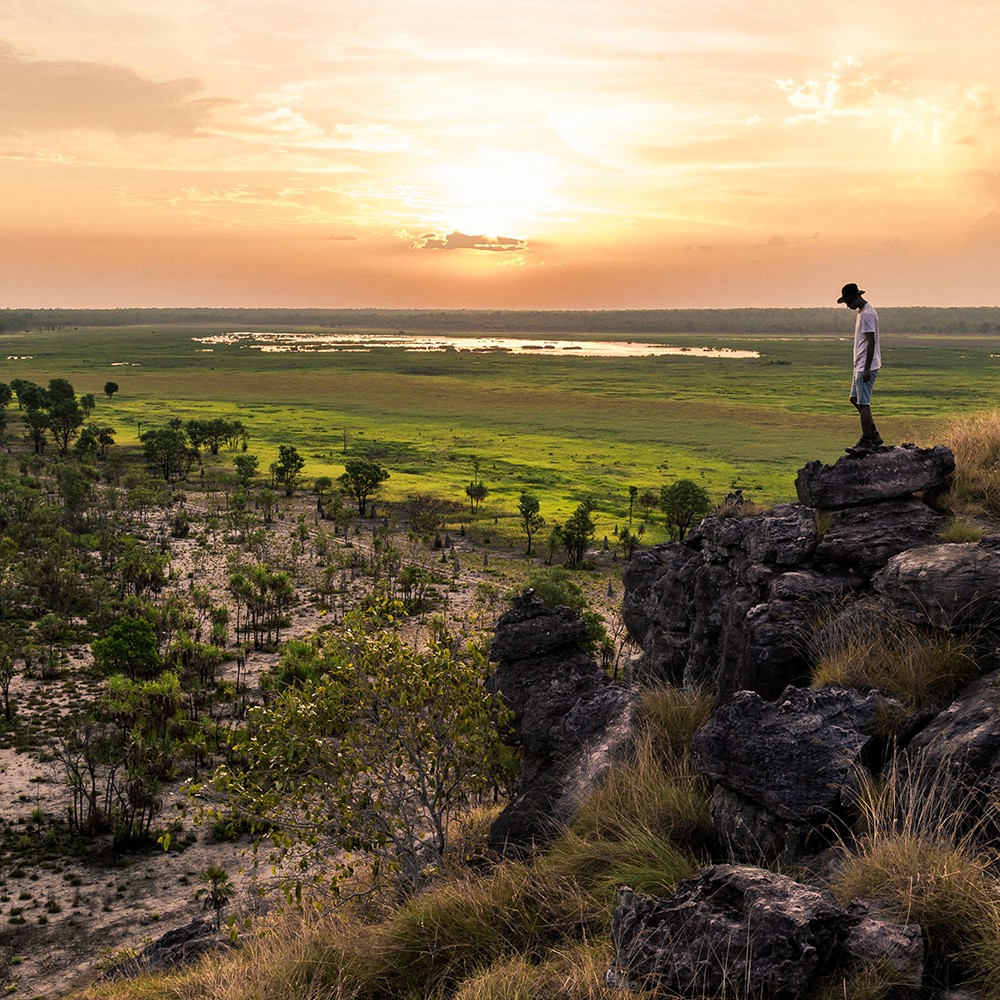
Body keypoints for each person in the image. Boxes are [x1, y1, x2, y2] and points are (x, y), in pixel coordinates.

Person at [837, 282, 883, 453]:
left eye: (848, 301)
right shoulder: (861, 312)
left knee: (864, 403)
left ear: (857, 297)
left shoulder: (867, 315)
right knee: (855, 399)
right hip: (860, 365)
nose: (847, 305)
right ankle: (874, 434)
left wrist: (866, 369)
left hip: (866, 365)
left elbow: (871, 342)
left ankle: (866, 442)